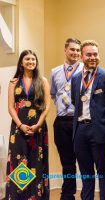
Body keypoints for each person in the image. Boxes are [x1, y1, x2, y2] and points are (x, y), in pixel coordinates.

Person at [71, 40, 105, 200]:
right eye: (89, 54)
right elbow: (76, 101)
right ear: (81, 57)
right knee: (85, 172)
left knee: (102, 169)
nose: (93, 57)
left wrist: (103, 115)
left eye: (95, 54)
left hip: (100, 129)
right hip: (80, 130)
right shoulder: (75, 79)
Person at [6, 50, 50, 199]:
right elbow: (11, 107)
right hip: (18, 128)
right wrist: (20, 125)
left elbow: (47, 106)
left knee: (36, 161)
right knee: (19, 161)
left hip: (38, 127)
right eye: (27, 59)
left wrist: (38, 124)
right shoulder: (13, 82)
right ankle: (20, 196)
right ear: (21, 62)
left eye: (33, 59)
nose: (31, 62)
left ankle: (36, 196)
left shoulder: (42, 80)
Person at [50, 38, 83, 200]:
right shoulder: (55, 71)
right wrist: (63, 106)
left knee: (84, 160)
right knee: (67, 161)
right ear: (65, 50)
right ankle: (68, 194)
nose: (76, 53)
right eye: (73, 50)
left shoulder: (86, 70)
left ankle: (87, 193)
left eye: (78, 50)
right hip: (62, 122)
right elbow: (52, 93)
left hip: (81, 122)